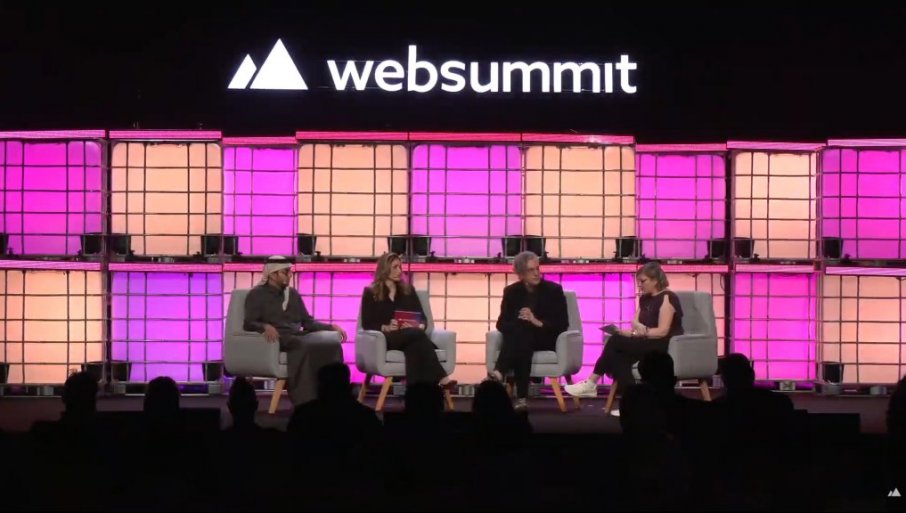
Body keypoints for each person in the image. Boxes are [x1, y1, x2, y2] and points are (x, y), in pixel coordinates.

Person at [565, 261, 683, 401]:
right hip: (644, 341)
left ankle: (591, 383)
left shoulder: (667, 297)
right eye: (638, 281)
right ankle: (633, 403)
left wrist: (636, 333)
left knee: (615, 341)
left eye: (643, 281)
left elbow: (662, 332)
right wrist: (633, 329)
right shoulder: (645, 298)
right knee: (618, 357)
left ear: (655, 280)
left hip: (661, 345)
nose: (639, 285)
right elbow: (635, 321)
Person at [244, 256, 347, 406]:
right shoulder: (256, 294)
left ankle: (334, 394)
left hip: (298, 334)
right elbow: (249, 323)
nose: (290, 275)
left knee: (332, 344)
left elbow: (307, 322)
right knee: (303, 345)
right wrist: (265, 326)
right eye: (286, 272)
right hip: (280, 337)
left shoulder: (292, 294)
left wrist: (331, 327)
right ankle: (306, 400)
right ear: (272, 274)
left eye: (290, 271)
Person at [359, 252, 456, 389]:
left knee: (415, 345)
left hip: (411, 337)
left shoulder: (409, 291)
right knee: (416, 335)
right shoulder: (370, 293)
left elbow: (423, 319)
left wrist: (420, 326)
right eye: (395, 267)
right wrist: (386, 327)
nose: (399, 271)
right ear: (385, 269)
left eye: (400, 267)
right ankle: (441, 377)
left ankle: (414, 390)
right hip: (386, 339)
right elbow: (367, 323)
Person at [489, 251, 569, 410]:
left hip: (546, 338)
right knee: (522, 335)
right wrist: (520, 322)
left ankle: (500, 371)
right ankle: (521, 398)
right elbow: (501, 324)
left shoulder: (553, 290)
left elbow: (562, 324)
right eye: (531, 270)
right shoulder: (511, 292)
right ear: (520, 273)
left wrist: (535, 321)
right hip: (522, 340)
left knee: (522, 333)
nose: (536, 273)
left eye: (537, 268)